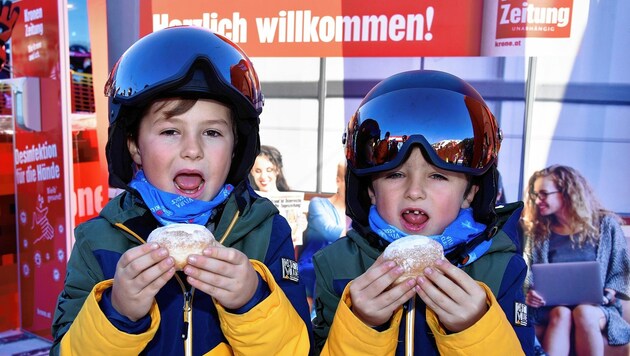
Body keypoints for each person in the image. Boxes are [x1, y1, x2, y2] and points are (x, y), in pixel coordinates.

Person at [50, 26, 311, 355]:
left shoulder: (265, 232)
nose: (192, 150)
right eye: (171, 130)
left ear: (235, 148)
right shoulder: (98, 242)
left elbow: (300, 349)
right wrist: (118, 314)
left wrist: (252, 300)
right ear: (133, 146)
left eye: (212, 133)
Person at [312, 70, 534, 355]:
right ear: (370, 190)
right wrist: (362, 324)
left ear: (470, 193)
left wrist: (475, 327)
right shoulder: (336, 265)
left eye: (438, 176)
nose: (414, 191)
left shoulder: (503, 270)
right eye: (395, 175)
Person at [521, 165, 630, 355]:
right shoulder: (539, 232)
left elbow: (621, 270)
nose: (538, 200)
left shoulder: (606, 225)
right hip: (551, 308)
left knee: (584, 313)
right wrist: (531, 293)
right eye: (536, 195)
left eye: (544, 194)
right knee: (561, 313)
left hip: (599, 307)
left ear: (567, 192)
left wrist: (608, 295)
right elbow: (528, 273)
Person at [298, 158, 350, 312]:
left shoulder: (358, 212)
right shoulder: (318, 204)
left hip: (341, 269)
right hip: (312, 268)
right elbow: (330, 232)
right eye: (348, 181)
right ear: (338, 181)